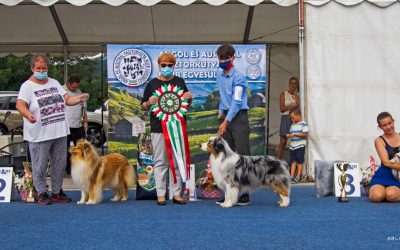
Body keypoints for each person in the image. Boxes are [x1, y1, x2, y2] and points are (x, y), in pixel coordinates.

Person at [16, 54, 89, 205]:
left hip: (60, 130)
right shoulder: (27, 86)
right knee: (40, 165)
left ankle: (57, 191)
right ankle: (41, 192)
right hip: (39, 133)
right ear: (32, 68)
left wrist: (79, 98)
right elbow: (20, 104)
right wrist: (28, 114)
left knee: (59, 164)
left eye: (44, 68)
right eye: (38, 68)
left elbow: (67, 100)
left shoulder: (54, 82)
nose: (42, 70)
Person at [141, 52, 192, 206]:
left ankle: (176, 194)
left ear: (174, 66)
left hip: (177, 128)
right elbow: (143, 106)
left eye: (170, 65)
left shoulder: (180, 82)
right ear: (159, 65)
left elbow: (186, 105)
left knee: (177, 161)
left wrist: (188, 99)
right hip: (158, 128)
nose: (167, 67)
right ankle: (161, 194)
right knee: (160, 162)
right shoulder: (152, 84)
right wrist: (149, 102)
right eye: (164, 65)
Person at [215, 44, 251, 205]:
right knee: (227, 156)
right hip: (226, 117)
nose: (222, 61)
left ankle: (244, 193)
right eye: (220, 58)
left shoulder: (239, 77)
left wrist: (226, 121)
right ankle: (230, 192)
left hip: (239, 118)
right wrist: (220, 113)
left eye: (225, 58)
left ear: (232, 58)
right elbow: (224, 98)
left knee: (242, 156)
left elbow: (236, 102)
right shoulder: (219, 75)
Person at [369, 112, 400, 202]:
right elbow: (386, 162)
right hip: (383, 174)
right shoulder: (379, 140)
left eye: (390, 123)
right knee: (376, 197)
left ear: (393, 121)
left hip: (397, 177)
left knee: (391, 196)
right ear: (380, 127)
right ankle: (374, 190)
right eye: (384, 125)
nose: (388, 127)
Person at [64, 76, 88, 175]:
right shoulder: (61, 90)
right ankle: (68, 168)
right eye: (73, 87)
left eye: (76, 87)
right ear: (68, 84)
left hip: (78, 125)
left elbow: (84, 108)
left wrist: (86, 121)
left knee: (81, 147)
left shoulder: (79, 92)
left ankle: (81, 167)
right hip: (66, 126)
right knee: (65, 149)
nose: (75, 89)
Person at [276, 77, 300, 160]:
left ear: (297, 85)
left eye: (295, 83)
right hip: (286, 118)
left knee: (296, 141)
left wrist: (296, 95)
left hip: (296, 119)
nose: (293, 85)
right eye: (291, 83)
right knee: (283, 141)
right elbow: (282, 109)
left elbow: (299, 105)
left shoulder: (298, 95)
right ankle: (277, 161)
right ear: (289, 84)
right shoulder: (283, 94)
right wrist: (293, 105)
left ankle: (295, 163)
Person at [286, 108, 309, 183]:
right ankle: (291, 176)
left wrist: (295, 134)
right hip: (292, 146)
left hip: (299, 146)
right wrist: (289, 135)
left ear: (298, 115)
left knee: (300, 161)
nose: (292, 120)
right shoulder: (293, 124)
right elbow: (291, 133)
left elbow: (305, 134)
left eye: (293, 118)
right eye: (291, 118)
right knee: (293, 161)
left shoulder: (303, 124)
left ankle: (298, 176)